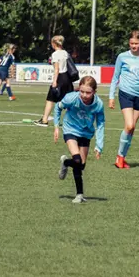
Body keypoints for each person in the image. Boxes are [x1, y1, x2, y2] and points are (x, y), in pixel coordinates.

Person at [53, 76, 105, 205]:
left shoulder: (98, 104)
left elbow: (100, 124)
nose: (84, 95)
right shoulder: (71, 98)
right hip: (70, 129)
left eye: (88, 92)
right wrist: (56, 127)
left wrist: (99, 145)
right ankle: (79, 194)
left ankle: (65, 163)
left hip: (86, 133)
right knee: (77, 159)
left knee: (81, 165)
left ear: (94, 91)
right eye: (82, 91)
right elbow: (58, 107)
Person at [107, 30, 139, 169]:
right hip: (125, 94)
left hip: (138, 96)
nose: (133, 46)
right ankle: (119, 157)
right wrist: (111, 96)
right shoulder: (122, 57)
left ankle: (122, 158)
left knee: (131, 130)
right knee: (130, 125)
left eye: (136, 43)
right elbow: (115, 77)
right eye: (131, 43)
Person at [34, 35, 73, 126]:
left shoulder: (55, 54)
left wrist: (54, 81)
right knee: (67, 101)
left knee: (50, 99)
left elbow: (57, 69)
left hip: (60, 77)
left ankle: (44, 120)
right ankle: (71, 121)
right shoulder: (65, 53)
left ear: (54, 44)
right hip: (67, 78)